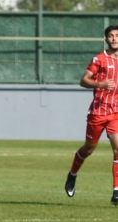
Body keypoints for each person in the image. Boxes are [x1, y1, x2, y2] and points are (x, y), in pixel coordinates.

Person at [65, 25, 118, 205]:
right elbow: (83, 80)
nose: (114, 38)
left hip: (115, 113)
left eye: (117, 36)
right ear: (106, 39)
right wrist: (101, 84)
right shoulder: (99, 59)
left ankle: (116, 191)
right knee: (88, 148)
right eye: (110, 36)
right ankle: (72, 174)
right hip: (97, 112)